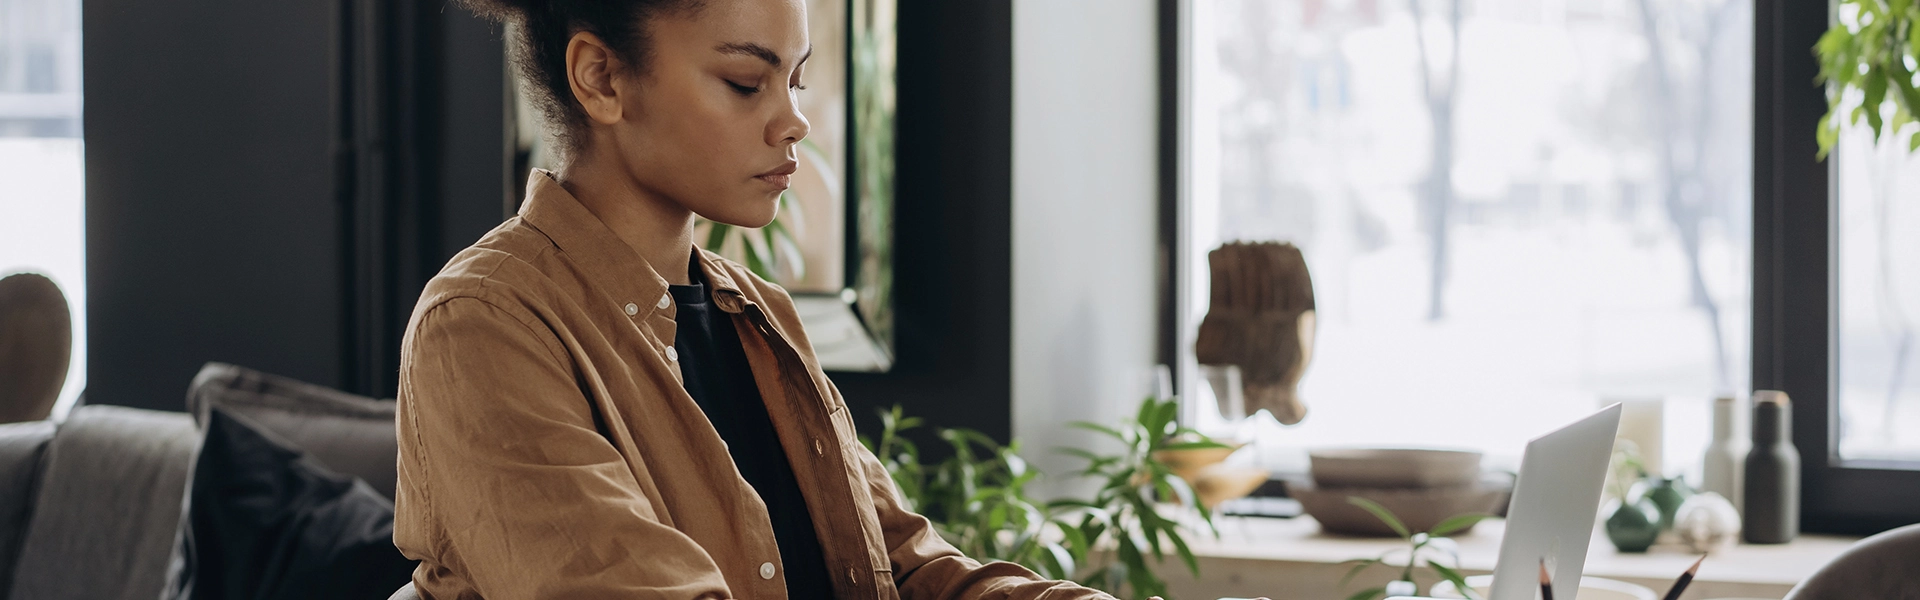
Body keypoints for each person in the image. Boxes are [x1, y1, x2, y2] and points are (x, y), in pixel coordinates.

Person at [392, 0, 1113, 597]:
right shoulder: (483, 324)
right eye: (745, 82)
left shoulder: (757, 314)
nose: (793, 120)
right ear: (601, 78)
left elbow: (901, 568)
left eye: (796, 80)